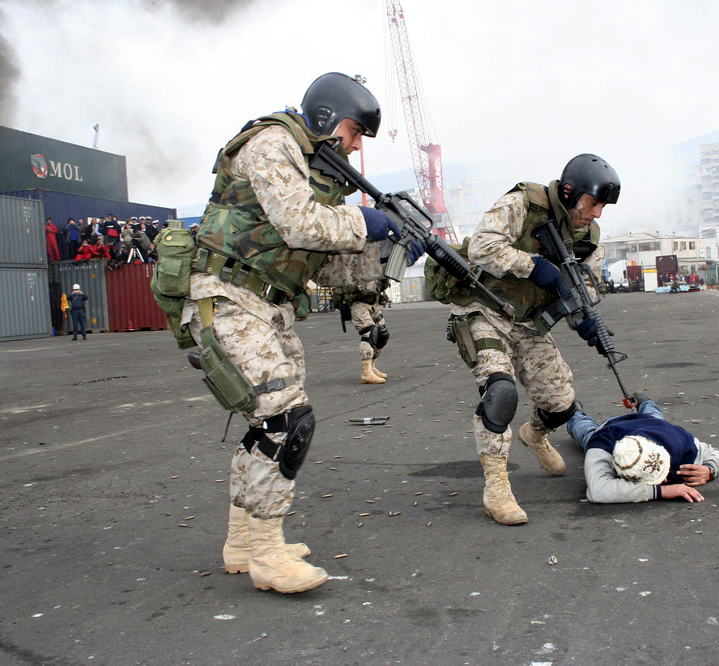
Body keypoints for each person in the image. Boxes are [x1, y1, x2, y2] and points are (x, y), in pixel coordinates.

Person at [182, 72, 423, 595]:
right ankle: (268, 554)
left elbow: (326, 267)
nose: (356, 146)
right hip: (228, 299)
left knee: (264, 424)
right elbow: (298, 223)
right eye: (355, 132)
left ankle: (244, 542)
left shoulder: (312, 172)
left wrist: (387, 254)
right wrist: (366, 222)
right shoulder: (273, 143)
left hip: (267, 307)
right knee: (285, 419)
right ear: (326, 117)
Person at [437, 153, 619, 525]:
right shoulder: (523, 203)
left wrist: (583, 318)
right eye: (592, 203)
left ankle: (534, 434)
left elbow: (585, 286)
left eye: (603, 206)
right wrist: (533, 266)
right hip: (483, 309)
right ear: (570, 193)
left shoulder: (589, 238)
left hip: (528, 323)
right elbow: (482, 247)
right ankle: (496, 487)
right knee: (500, 391)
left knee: (562, 405)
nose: (597, 213)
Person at [567, 393, 719, 503]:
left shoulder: (680, 444)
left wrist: (710, 470)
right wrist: (661, 491)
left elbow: (713, 453)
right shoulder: (601, 446)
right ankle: (575, 414)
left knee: (653, 415)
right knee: (586, 431)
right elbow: (598, 491)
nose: (666, 480)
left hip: (653, 424)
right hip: (609, 429)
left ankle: (645, 401)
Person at [333, 280, 392, 384]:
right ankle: (366, 373)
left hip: (373, 304)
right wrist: (380, 281)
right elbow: (366, 289)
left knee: (382, 335)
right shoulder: (357, 272)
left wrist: (385, 282)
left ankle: (372, 367)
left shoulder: (375, 271)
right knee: (369, 334)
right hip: (358, 305)